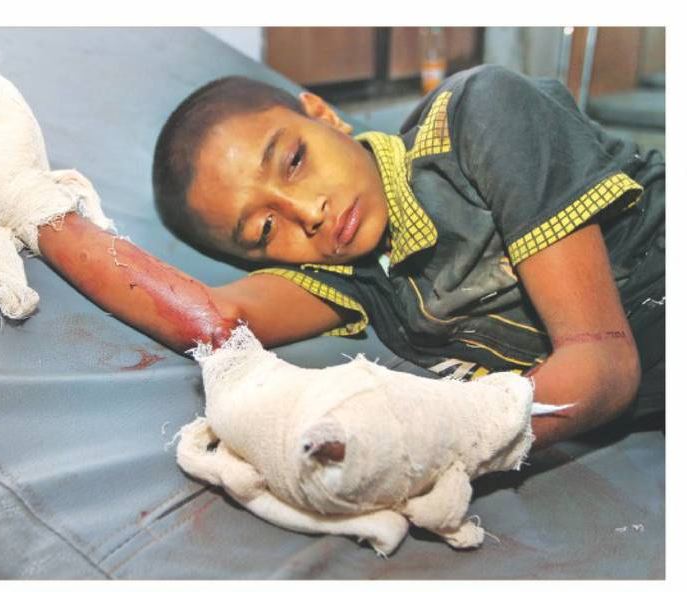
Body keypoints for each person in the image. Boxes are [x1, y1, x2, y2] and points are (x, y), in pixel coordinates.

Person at [36, 65, 665, 451]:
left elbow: (603, 364)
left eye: (294, 160)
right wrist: (31, 206)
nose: (306, 212)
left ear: (322, 114)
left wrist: (424, 450)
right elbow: (211, 320)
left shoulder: (482, 117)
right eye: (264, 229)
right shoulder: (356, 280)